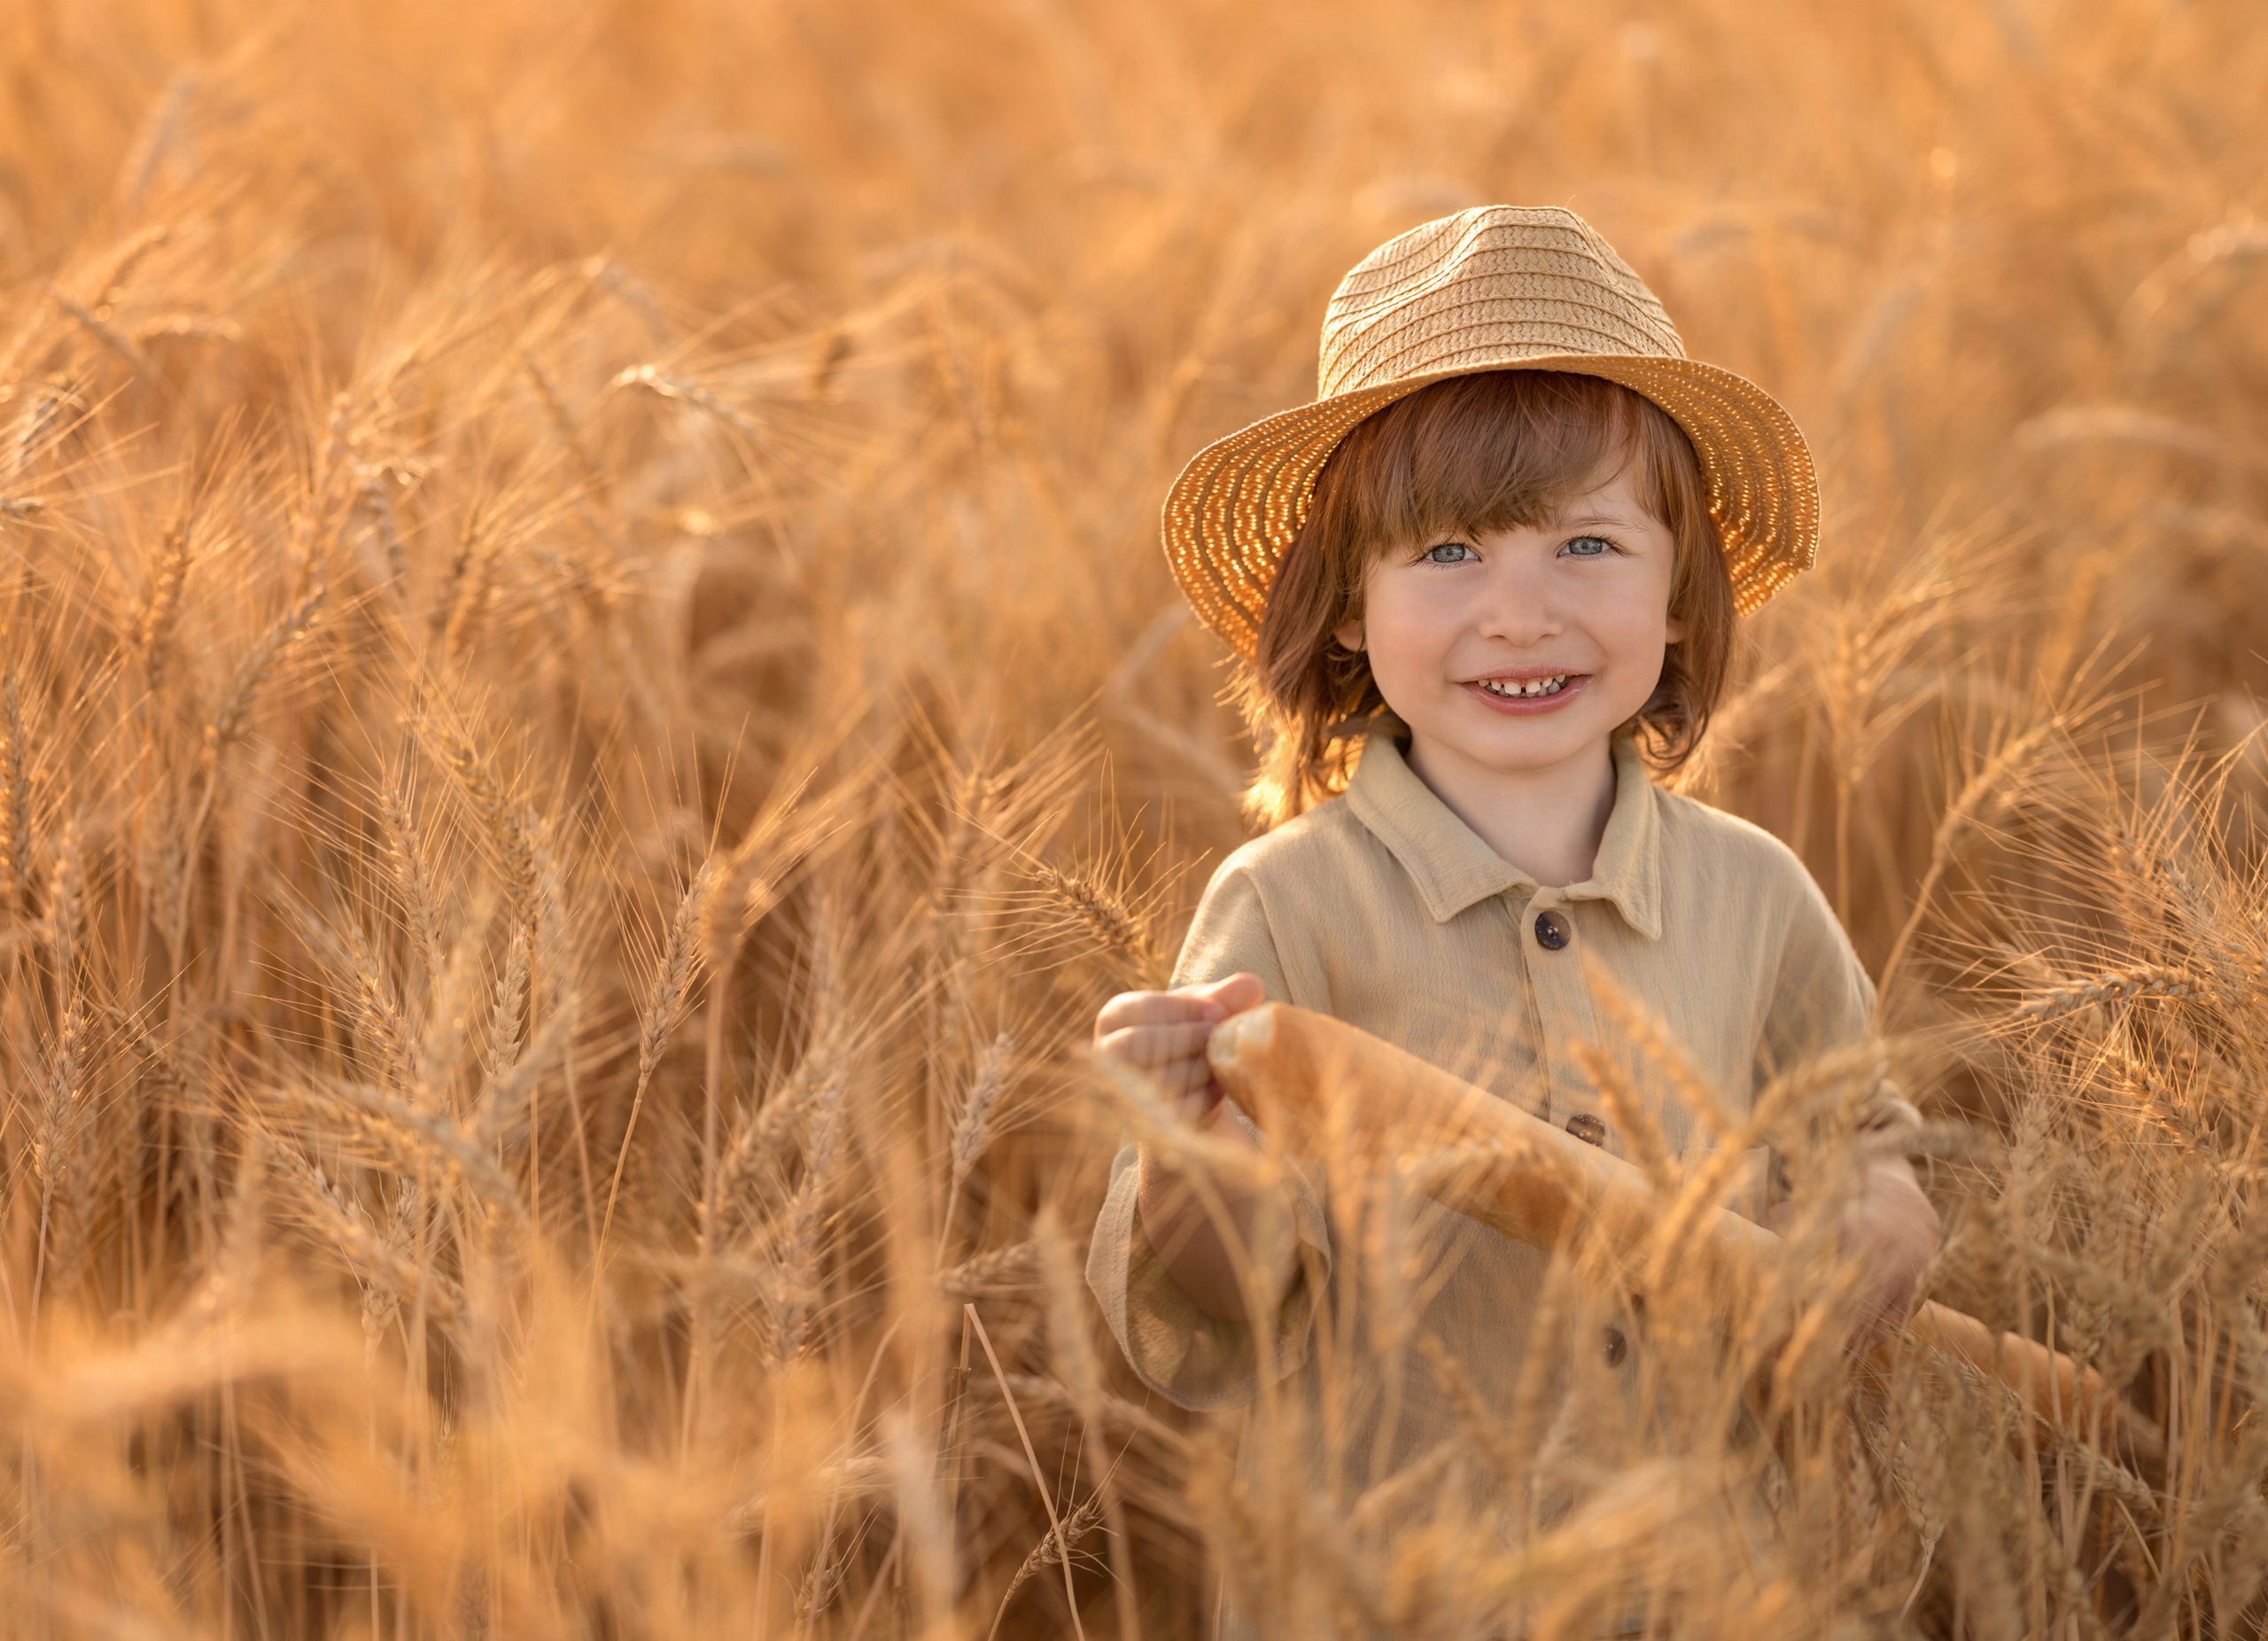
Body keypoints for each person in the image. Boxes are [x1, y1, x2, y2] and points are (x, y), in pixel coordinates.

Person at [1083, 206, 1944, 1637]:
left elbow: (1864, 1140)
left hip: (1699, 1585)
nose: (1521, 613)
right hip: (1384, 1595)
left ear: (1681, 595)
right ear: (1346, 608)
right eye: (1448, 555)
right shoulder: (1287, 910)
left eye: (1589, 545)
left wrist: (1878, 1222)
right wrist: (1196, 1156)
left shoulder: (1756, 896)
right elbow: (1215, 1307)